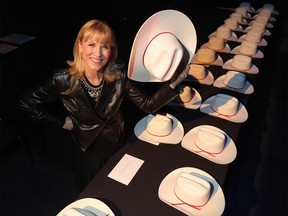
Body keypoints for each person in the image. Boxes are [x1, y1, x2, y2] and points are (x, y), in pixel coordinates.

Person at [17, 19, 189, 191]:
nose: (98, 54)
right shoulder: (63, 80)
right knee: (91, 189)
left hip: (117, 142)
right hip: (88, 151)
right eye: (91, 44)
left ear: (111, 50)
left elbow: (147, 105)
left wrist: (173, 84)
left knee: (119, 187)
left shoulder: (119, 75)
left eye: (105, 46)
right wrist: (60, 122)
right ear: (80, 46)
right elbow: (26, 103)